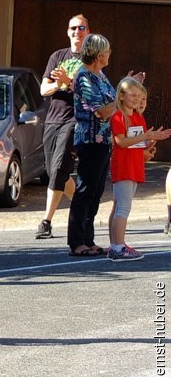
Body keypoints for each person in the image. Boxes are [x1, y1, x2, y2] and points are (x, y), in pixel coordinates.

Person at [35, 14, 89, 239]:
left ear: (88, 32)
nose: (77, 31)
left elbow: (87, 91)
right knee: (52, 171)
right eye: (73, 28)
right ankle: (83, 207)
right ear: (68, 31)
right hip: (52, 119)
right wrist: (60, 82)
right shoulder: (57, 56)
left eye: (82, 28)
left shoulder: (90, 59)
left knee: (58, 168)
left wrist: (67, 81)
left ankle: (46, 222)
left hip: (74, 119)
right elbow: (43, 89)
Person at [107, 78, 171, 261]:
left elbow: (137, 146)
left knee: (121, 205)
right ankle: (117, 247)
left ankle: (115, 245)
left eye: (140, 96)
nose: (137, 99)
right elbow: (120, 142)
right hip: (123, 167)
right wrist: (146, 135)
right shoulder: (119, 116)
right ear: (121, 95)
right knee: (123, 208)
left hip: (134, 167)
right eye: (133, 95)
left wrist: (150, 144)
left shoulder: (138, 117)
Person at [67, 34, 117, 257]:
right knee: (85, 190)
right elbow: (103, 111)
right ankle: (76, 242)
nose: (109, 55)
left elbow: (113, 101)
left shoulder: (101, 75)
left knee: (96, 192)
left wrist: (127, 87)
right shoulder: (84, 76)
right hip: (89, 139)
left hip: (103, 140)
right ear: (98, 55)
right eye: (106, 52)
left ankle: (88, 239)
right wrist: (123, 96)